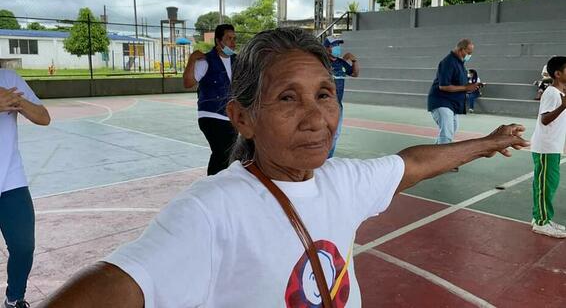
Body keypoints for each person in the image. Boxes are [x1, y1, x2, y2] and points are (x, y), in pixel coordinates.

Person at [38, 28, 528, 308]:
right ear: (242, 118)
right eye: (287, 98)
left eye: (324, 95)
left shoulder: (341, 182)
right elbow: (117, 286)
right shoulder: (213, 208)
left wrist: (485, 144)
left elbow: (413, 163)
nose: (316, 118)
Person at [0, 69, 50, 308]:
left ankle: (14, 298)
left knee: (23, 246)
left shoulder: (8, 79)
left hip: (11, 179)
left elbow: (44, 117)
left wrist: (18, 101)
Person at [183, 24, 238, 175]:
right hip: (211, 115)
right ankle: (212, 184)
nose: (233, 42)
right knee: (222, 153)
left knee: (232, 155)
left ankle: (223, 183)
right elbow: (188, 83)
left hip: (231, 116)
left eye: (234, 38)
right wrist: (192, 59)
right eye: (229, 38)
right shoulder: (206, 61)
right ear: (218, 41)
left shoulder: (238, 61)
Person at [427, 39, 482, 171]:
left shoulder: (460, 63)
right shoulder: (448, 62)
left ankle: (430, 156)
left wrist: (469, 87)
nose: (469, 55)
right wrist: (465, 87)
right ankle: (444, 163)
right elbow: (444, 86)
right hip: (441, 101)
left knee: (451, 129)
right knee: (447, 132)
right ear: (461, 49)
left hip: (451, 103)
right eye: (468, 52)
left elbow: (461, 84)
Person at [529, 56, 566, 238]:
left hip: (553, 147)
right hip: (545, 148)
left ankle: (541, 218)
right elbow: (545, 119)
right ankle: (541, 223)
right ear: (558, 74)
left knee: (547, 185)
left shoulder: (561, 92)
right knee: (545, 185)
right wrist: (563, 107)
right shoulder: (551, 93)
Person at [323, 36, 359, 157]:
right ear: (327, 48)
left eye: (339, 45)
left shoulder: (341, 63)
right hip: (323, 105)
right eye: (334, 45)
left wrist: (354, 61)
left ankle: (328, 159)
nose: (338, 48)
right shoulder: (321, 62)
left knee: (336, 133)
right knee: (322, 132)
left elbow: (355, 74)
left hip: (337, 105)